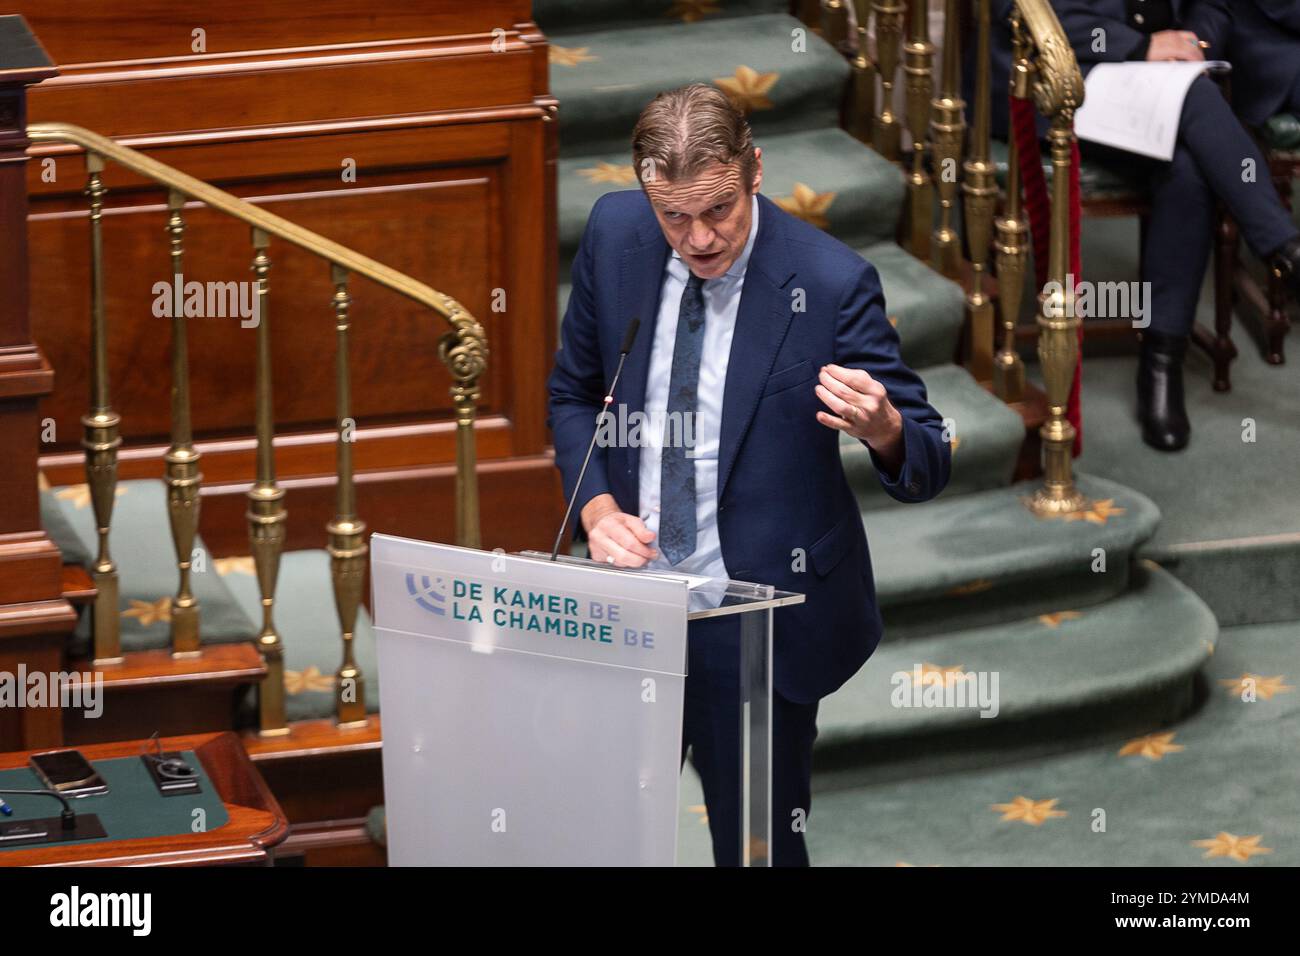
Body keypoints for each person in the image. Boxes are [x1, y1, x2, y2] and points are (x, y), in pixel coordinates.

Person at [546, 84, 951, 866]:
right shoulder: (614, 236)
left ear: (755, 169)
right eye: (674, 216)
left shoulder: (830, 282)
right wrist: (595, 509)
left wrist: (887, 429)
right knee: (606, 838)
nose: (698, 238)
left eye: (719, 210)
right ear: (645, 194)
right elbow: (572, 395)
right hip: (632, 606)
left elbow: (928, 456)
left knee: (758, 848)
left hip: (757, 617)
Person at [992, 0, 1300, 451]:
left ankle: (1161, 361)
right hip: (1056, 80)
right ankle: (1283, 251)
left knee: (1188, 169)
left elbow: (1211, 4)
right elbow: (1018, 11)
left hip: (1155, 83)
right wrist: (1139, 45)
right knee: (1198, 103)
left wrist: (1194, 40)